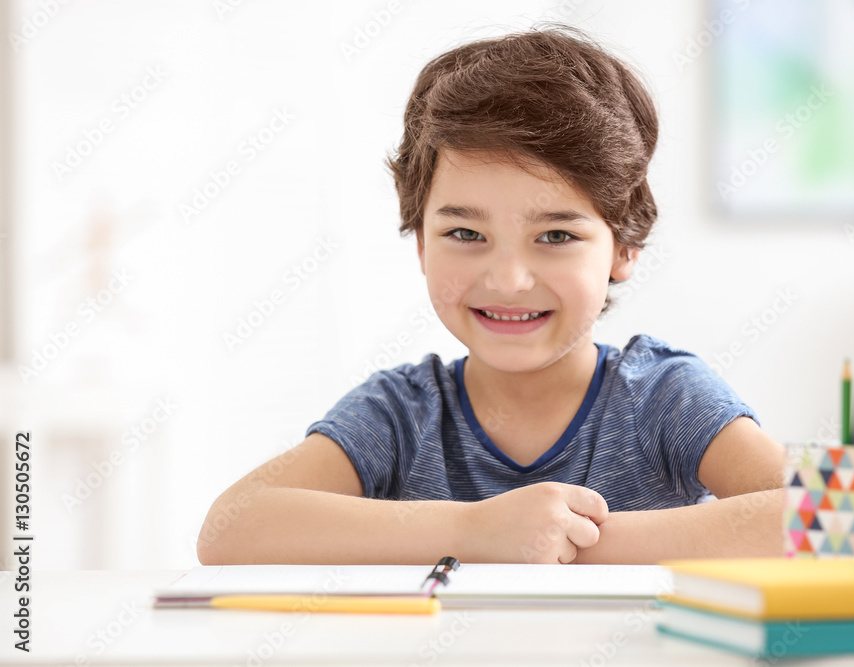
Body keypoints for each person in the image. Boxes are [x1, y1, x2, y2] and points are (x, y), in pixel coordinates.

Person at [197, 24, 786, 566]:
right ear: (421, 245)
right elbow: (229, 530)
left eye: (556, 236)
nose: (508, 280)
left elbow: (836, 519)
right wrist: (472, 531)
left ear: (624, 247)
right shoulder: (401, 413)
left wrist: (563, 540)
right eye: (465, 234)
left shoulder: (664, 397)